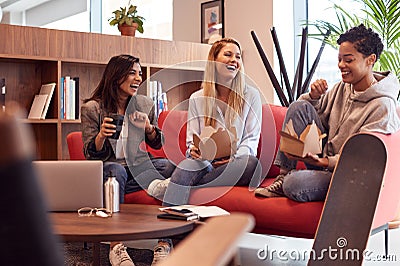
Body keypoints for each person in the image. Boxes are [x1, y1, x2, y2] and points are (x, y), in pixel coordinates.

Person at [254, 24, 400, 202]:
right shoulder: (341, 88)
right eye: (339, 59)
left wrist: (324, 162)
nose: (341, 65)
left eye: (348, 60)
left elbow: (362, 159)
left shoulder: (382, 105)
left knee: (295, 184)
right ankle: (283, 175)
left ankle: (289, 180)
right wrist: (314, 97)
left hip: (347, 174)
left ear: (370, 60)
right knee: (299, 105)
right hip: (320, 163)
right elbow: (311, 118)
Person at [81, 54, 175, 266]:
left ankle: (164, 245)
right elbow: (89, 154)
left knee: (171, 166)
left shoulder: (145, 104)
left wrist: (149, 129)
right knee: (116, 171)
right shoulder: (92, 109)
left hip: (139, 166)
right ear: (116, 76)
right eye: (132, 73)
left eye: (140, 73)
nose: (138, 78)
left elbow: (158, 144)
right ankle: (116, 246)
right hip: (111, 170)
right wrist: (101, 136)